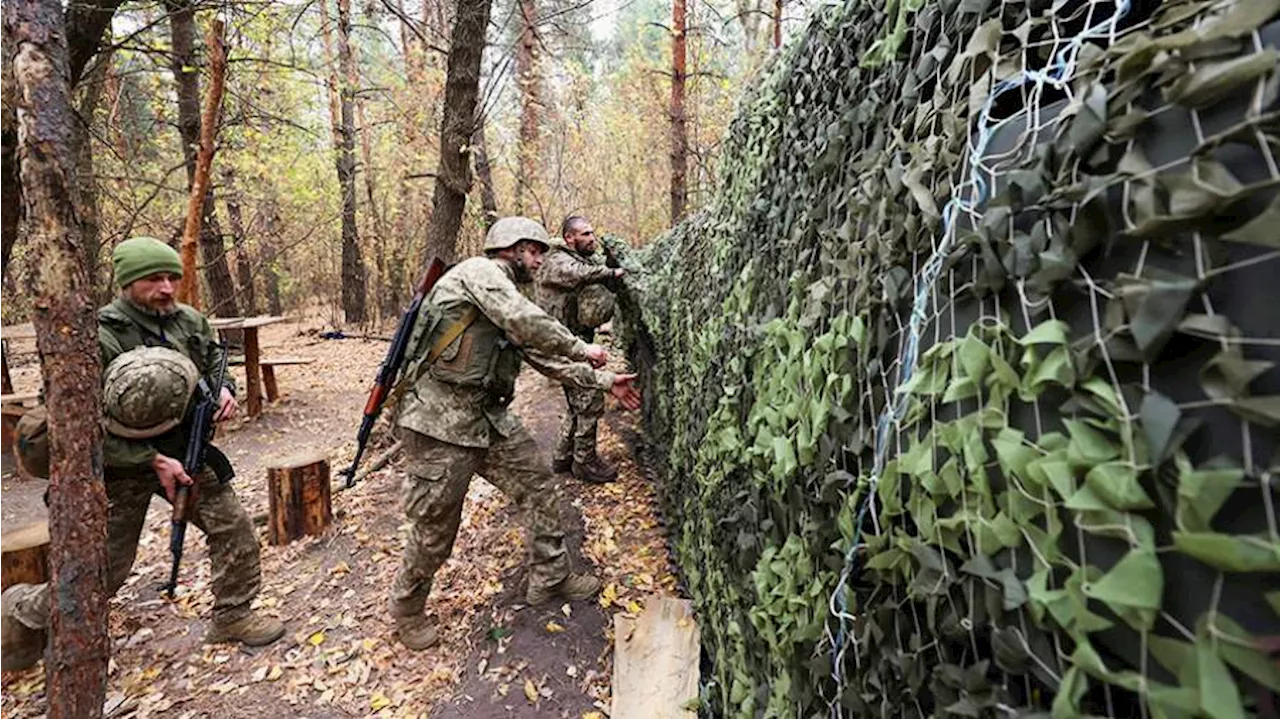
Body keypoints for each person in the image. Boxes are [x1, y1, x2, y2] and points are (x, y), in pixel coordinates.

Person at [0, 236, 285, 672]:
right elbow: (74, 425)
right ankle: (20, 610)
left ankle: (232, 615)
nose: (168, 287)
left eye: (173, 277)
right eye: (154, 278)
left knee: (236, 531)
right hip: (119, 466)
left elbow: (214, 364)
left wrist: (227, 389)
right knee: (104, 573)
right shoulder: (96, 334)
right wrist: (148, 459)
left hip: (186, 452)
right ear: (127, 282)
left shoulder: (188, 320)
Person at [390, 216, 641, 651]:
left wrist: (603, 381)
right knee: (434, 529)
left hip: (485, 417)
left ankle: (550, 576)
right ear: (513, 247)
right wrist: (583, 347)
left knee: (538, 484)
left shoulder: (507, 290)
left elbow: (539, 354)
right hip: (438, 424)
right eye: (536, 250)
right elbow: (526, 322)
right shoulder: (481, 274)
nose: (541, 259)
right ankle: (408, 610)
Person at [536, 215, 625, 483]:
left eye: (592, 233)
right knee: (588, 398)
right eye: (585, 234)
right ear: (569, 238)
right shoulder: (556, 261)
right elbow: (578, 274)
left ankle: (563, 457)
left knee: (577, 402)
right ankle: (585, 463)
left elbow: (591, 269)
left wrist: (610, 264)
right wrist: (613, 273)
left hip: (574, 340)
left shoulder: (580, 257)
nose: (591, 238)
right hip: (562, 343)